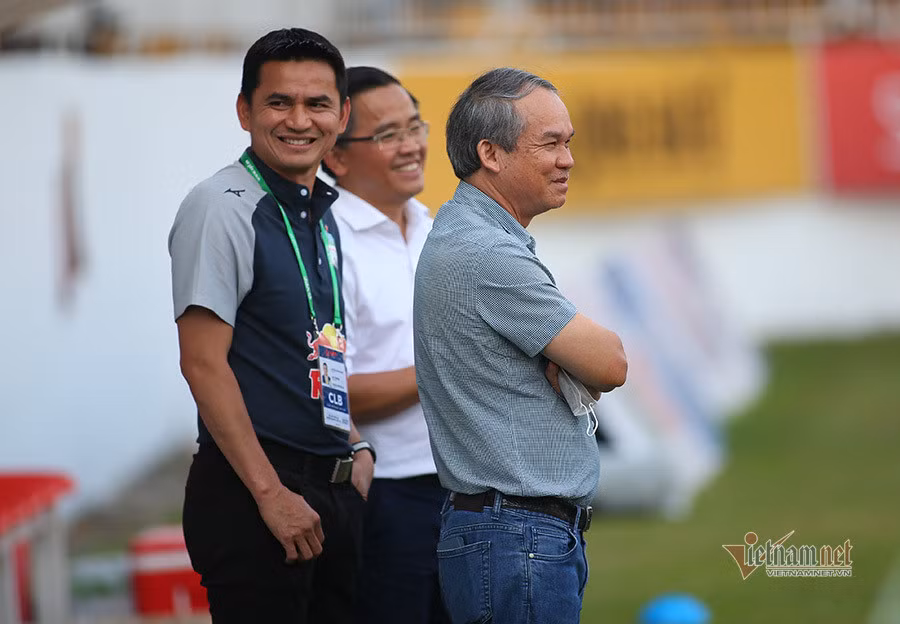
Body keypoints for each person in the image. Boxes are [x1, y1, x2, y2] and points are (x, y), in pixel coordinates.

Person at [168, 28, 376, 624]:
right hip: (259, 490)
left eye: (317, 104)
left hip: (329, 486)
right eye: (279, 102)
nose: (299, 120)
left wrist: (355, 443)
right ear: (245, 111)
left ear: (342, 116)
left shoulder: (323, 213)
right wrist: (270, 494)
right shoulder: (221, 206)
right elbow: (202, 363)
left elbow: (310, 348)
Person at [413, 67, 629, 623]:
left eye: (568, 143)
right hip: (516, 537)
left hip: (512, 536)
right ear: (490, 153)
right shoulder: (485, 252)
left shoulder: (474, 236)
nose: (568, 159)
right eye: (550, 144)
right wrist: (569, 360)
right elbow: (609, 363)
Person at [322, 66, 449, 624]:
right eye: (388, 135)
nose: (411, 145)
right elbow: (330, 394)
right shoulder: (326, 246)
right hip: (385, 493)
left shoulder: (435, 228)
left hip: (466, 486)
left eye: (415, 127)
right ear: (337, 155)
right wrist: (450, 368)